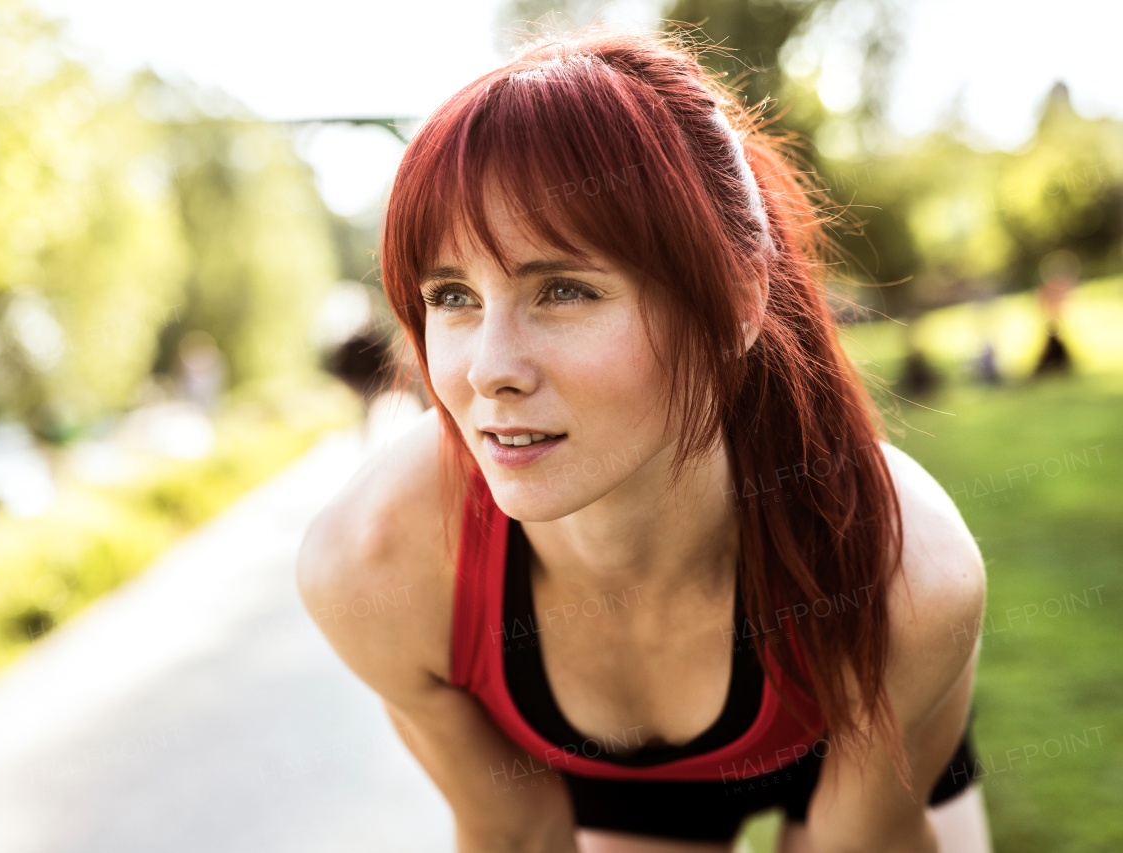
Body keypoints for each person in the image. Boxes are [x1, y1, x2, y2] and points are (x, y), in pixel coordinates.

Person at [297, 29, 991, 853]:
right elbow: (514, 834)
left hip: (848, 721)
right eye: (452, 294)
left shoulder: (905, 578)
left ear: (736, 299)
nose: (489, 371)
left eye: (563, 289)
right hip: (607, 786)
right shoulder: (370, 566)